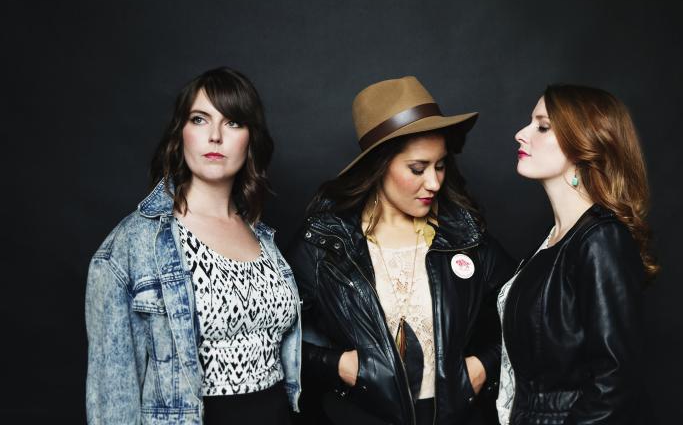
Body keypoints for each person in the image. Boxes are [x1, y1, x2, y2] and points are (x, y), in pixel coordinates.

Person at [289, 76, 514, 425]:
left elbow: (527, 315)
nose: (435, 183)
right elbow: (273, 334)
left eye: (440, 165)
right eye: (418, 168)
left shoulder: (463, 236)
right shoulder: (326, 242)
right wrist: (337, 366)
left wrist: (482, 366)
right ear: (379, 166)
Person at [85, 67, 301, 424]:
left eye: (232, 123)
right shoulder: (134, 245)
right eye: (200, 119)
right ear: (180, 133)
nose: (215, 136)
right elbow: (112, 399)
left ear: (250, 139)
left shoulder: (265, 239)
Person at [497, 84, 658, 424]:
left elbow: (615, 383)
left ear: (583, 142)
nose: (520, 134)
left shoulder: (600, 239)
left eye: (542, 126)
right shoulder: (553, 241)